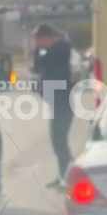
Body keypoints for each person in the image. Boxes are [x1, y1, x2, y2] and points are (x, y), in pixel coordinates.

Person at [31, 24, 73, 188]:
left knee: (59, 143)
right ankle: (65, 175)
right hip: (56, 104)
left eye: (37, 39)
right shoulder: (50, 51)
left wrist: (39, 50)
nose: (36, 43)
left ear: (46, 38)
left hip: (62, 104)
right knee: (58, 143)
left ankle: (68, 176)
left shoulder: (59, 48)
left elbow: (41, 63)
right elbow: (38, 66)